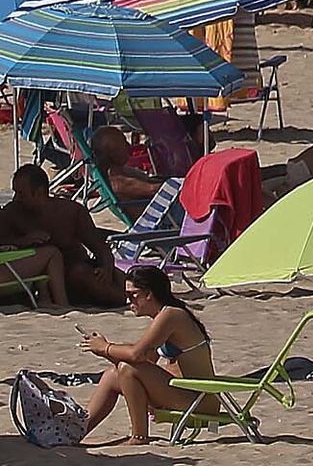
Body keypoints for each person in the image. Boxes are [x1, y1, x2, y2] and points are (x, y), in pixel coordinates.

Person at [78, 265, 217, 445]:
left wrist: (105, 347)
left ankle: (139, 436)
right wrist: (103, 350)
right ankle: (78, 430)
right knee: (113, 375)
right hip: (183, 393)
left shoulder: (171, 315)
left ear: (149, 294)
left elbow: (136, 356)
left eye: (132, 295)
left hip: (200, 399)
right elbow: (146, 361)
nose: (129, 301)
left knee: (127, 368)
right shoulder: (164, 315)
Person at [0, 163, 120, 306]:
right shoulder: (12, 212)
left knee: (115, 276)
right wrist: (23, 241)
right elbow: (3, 243)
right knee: (80, 273)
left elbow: (99, 246)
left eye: (21, 194)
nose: (16, 198)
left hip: (75, 269)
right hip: (44, 279)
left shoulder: (71, 212)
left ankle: (131, 301)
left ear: (39, 192)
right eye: (15, 192)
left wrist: (106, 268)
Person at [88, 125, 164, 210]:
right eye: (124, 142)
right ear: (113, 153)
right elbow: (153, 189)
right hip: (159, 215)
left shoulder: (119, 173)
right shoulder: (118, 180)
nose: (128, 145)